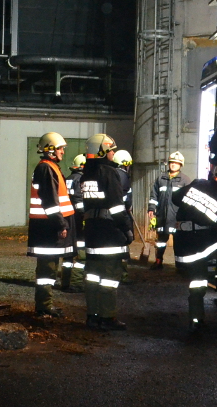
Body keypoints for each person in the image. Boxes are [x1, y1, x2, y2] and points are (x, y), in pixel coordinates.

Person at [172, 160, 217, 336]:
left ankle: (196, 320)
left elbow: (175, 198)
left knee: (197, 280)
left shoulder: (197, 184)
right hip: (198, 247)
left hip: (181, 245)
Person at [80, 133, 132, 331]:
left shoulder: (86, 174)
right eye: (110, 150)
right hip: (109, 232)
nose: (113, 154)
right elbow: (117, 206)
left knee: (92, 276)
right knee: (109, 277)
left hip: (92, 232)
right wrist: (126, 229)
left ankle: (92, 316)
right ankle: (107, 317)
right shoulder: (109, 172)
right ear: (102, 151)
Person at [27, 132, 76, 318]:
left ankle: (45, 305)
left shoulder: (49, 167)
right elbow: (51, 202)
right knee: (47, 269)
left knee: (49, 269)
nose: (63, 151)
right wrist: (61, 224)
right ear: (50, 150)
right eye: (60, 148)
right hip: (48, 229)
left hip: (46, 227)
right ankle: (44, 307)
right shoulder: (47, 169)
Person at [148, 150, 190, 270]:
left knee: (179, 242)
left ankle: (180, 266)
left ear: (181, 165)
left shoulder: (185, 180)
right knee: (160, 241)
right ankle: (158, 262)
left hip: (177, 218)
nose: (173, 164)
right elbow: (154, 196)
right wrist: (151, 209)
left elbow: (188, 200)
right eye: (172, 162)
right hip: (162, 216)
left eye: (176, 163)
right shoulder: (161, 178)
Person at [60, 153, 87, 291]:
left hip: (68, 221)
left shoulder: (68, 178)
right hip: (78, 223)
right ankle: (76, 283)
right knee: (81, 255)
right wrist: (86, 216)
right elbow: (79, 203)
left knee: (68, 255)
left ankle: (65, 282)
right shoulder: (80, 179)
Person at [112, 149, 134, 283]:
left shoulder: (112, 173)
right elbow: (124, 199)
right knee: (123, 246)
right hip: (121, 216)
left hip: (110, 218)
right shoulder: (124, 177)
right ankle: (123, 276)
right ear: (125, 164)